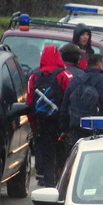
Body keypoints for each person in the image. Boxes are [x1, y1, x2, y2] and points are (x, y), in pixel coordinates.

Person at [26, 45, 72, 188]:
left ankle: (49, 186)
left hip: (43, 123)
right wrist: (67, 125)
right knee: (63, 156)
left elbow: (29, 104)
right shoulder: (65, 75)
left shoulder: (34, 77)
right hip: (61, 124)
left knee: (47, 156)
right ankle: (62, 186)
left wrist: (34, 125)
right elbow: (71, 100)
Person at [62, 52, 103, 145]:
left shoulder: (75, 81)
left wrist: (64, 129)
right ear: (100, 65)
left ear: (87, 64)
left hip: (79, 129)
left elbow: (64, 107)